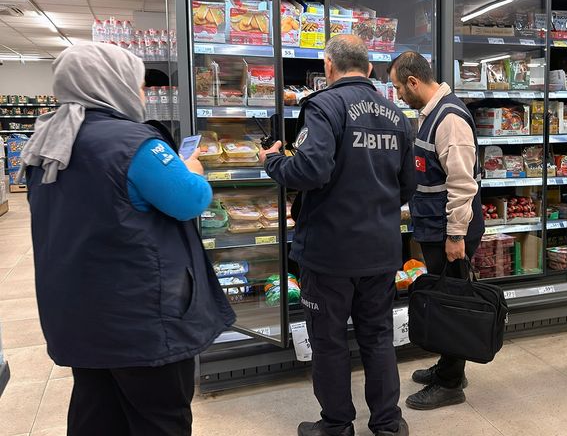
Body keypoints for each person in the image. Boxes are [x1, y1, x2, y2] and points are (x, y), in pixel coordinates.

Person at [20, 43, 236, 436]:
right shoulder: (134, 144)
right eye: (137, 84)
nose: (141, 94)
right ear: (112, 83)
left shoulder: (45, 142)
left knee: (97, 411)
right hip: (139, 317)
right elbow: (190, 200)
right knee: (159, 417)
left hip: (77, 309)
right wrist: (192, 167)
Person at [260, 34, 414, 436]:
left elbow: (310, 171)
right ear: (368, 68)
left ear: (328, 67)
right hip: (380, 248)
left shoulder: (324, 105)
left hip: (329, 252)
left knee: (328, 341)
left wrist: (273, 161)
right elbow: (407, 186)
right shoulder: (396, 115)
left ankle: (337, 424)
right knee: (378, 337)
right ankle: (388, 424)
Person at [387, 51, 484, 410]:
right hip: (435, 226)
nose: (398, 94)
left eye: (398, 87)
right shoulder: (430, 115)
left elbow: (461, 183)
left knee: (452, 305)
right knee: (445, 299)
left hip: (450, 231)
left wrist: (456, 236)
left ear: (414, 82)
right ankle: (448, 366)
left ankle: (451, 383)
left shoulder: (449, 119)